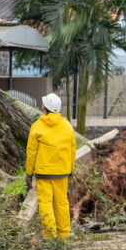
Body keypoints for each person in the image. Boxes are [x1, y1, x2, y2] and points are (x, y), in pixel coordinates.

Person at [26, 93, 76, 240]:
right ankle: (64, 234)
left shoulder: (37, 127)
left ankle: (49, 236)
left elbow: (31, 153)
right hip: (62, 172)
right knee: (61, 203)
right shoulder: (67, 126)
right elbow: (72, 150)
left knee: (45, 203)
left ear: (44, 107)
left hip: (43, 173)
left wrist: (28, 173)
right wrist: (71, 169)